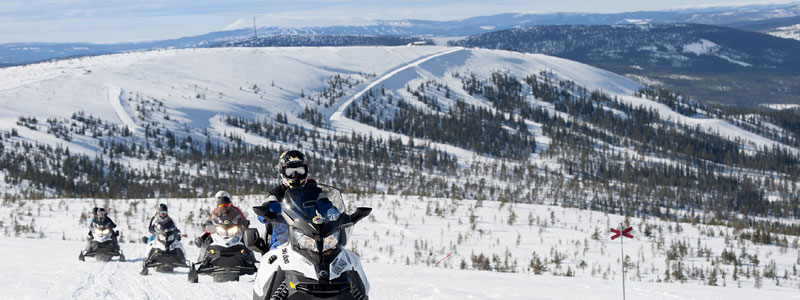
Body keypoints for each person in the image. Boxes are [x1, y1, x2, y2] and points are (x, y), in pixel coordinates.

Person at [259, 150, 340, 250]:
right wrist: (267, 214)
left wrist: (335, 215)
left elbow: (326, 207)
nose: (295, 175)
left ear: (305, 171)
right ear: (282, 172)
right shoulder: (276, 194)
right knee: (272, 262)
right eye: (291, 172)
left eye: (299, 171)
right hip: (283, 242)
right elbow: (268, 207)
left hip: (311, 241)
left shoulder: (313, 192)